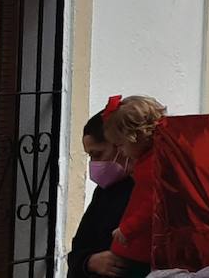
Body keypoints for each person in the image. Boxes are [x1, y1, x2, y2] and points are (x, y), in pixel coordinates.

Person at [66, 108, 135, 278]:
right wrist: (89, 262)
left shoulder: (154, 188)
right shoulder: (106, 190)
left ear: (122, 145)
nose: (93, 164)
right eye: (90, 156)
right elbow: (80, 245)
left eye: (97, 154)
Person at [105, 94, 167, 274]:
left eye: (121, 145)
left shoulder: (152, 165)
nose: (121, 152)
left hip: (139, 249)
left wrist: (127, 229)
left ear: (136, 137)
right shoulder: (152, 158)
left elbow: (152, 202)